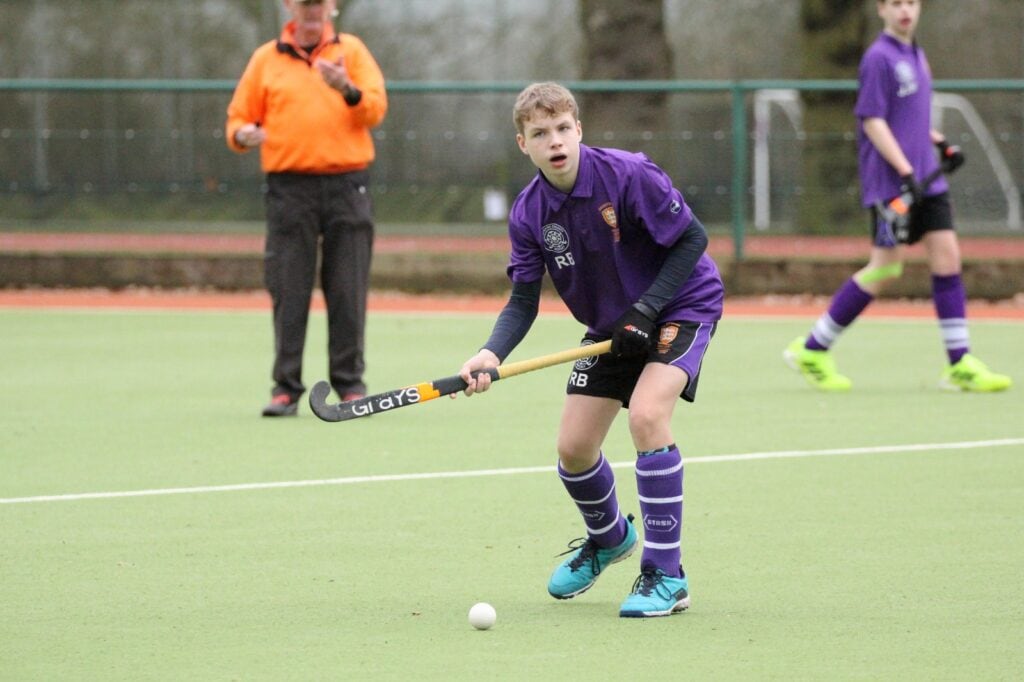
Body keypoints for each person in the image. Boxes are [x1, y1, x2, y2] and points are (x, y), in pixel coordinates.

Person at [457, 83, 724, 618]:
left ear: (578, 129)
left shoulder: (629, 175)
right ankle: (608, 538)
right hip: (611, 326)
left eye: (562, 129)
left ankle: (667, 575)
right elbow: (523, 301)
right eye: (540, 134)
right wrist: (490, 354)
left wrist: (646, 311)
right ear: (523, 144)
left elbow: (692, 239)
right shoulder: (529, 214)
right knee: (574, 448)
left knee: (648, 416)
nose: (554, 141)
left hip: (680, 306)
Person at [784, 0, 1011, 393]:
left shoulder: (917, 53)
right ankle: (813, 347)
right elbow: (873, 121)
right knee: (886, 269)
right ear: (881, 10)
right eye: (894, 3)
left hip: (928, 180)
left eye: (909, 2)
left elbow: (910, 120)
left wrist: (938, 143)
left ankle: (960, 364)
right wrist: (905, 170)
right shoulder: (878, 58)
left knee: (948, 257)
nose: (903, 10)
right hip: (894, 185)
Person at [226, 0, 387, 416]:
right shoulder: (266, 58)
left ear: (331, 8)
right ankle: (286, 388)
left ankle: (350, 385)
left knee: (347, 286)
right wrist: (243, 135)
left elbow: (375, 109)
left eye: (320, 4)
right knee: (288, 285)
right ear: (290, 8)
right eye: (305, 3)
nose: (313, 11)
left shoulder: (351, 51)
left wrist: (345, 88)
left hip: (347, 185)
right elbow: (237, 120)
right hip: (289, 188)